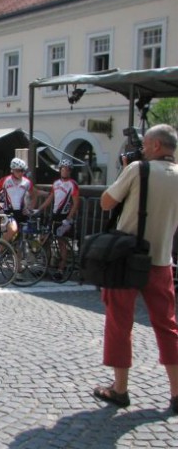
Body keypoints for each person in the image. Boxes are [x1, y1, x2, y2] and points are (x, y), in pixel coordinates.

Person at [93, 124, 178, 414]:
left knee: (119, 324)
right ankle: (177, 393)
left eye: (145, 145)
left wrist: (127, 172)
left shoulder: (138, 170)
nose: (142, 149)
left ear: (155, 146)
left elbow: (106, 202)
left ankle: (120, 389)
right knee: (167, 327)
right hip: (162, 260)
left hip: (126, 260)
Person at [37, 159, 80, 280]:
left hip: (64, 216)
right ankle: (45, 267)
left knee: (62, 243)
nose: (64, 171)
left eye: (67, 169)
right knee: (45, 240)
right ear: (60, 169)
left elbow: (76, 203)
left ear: (70, 171)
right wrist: (38, 210)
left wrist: (69, 218)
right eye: (62, 168)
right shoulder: (55, 183)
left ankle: (61, 269)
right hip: (54, 215)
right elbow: (50, 199)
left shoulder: (73, 184)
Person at [0, 157, 37, 242]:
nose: (21, 173)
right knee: (12, 230)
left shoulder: (27, 182)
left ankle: (16, 254)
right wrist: (0, 208)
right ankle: (0, 249)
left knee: (21, 240)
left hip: (21, 213)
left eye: (22, 170)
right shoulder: (5, 180)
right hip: (9, 212)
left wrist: (29, 209)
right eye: (18, 171)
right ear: (12, 170)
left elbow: (34, 196)